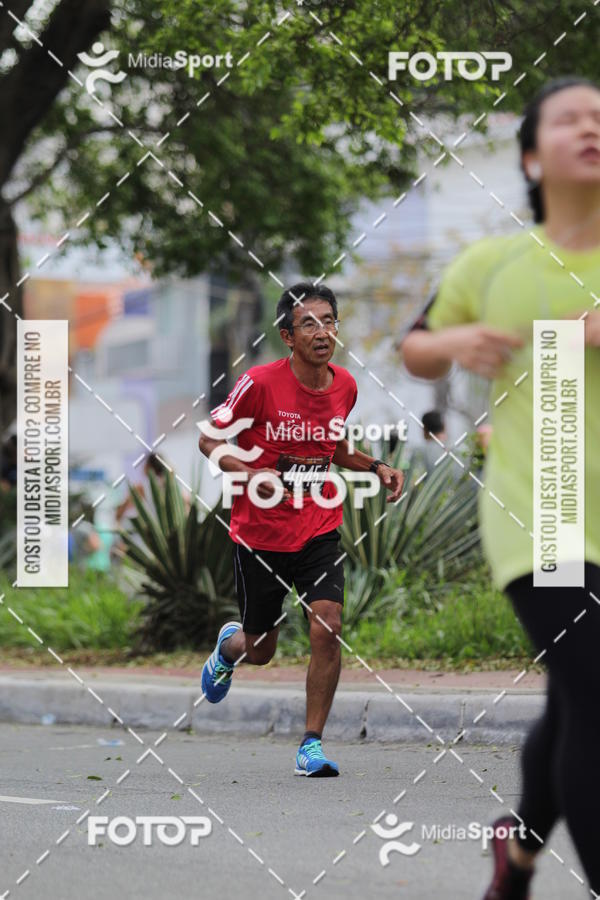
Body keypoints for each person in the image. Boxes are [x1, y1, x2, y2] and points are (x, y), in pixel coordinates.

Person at [401, 77, 600, 898]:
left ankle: (515, 853)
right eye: (570, 119)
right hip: (544, 510)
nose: (591, 127)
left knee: (577, 699)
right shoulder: (494, 262)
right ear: (530, 155)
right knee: (596, 692)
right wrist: (455, 337)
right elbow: (416, 349)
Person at [198, 282, 404, 777]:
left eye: (329, 321)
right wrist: (251, 473)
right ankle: (230, 648)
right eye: (308, 323)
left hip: (317, 527)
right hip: (260, 535)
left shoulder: (345, 386)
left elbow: (333, 448)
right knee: (262, 649)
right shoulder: (260, 383)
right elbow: (209, 438)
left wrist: (375, 466)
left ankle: (311, 744)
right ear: (287, 336)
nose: (322, 331)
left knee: (328, 623)